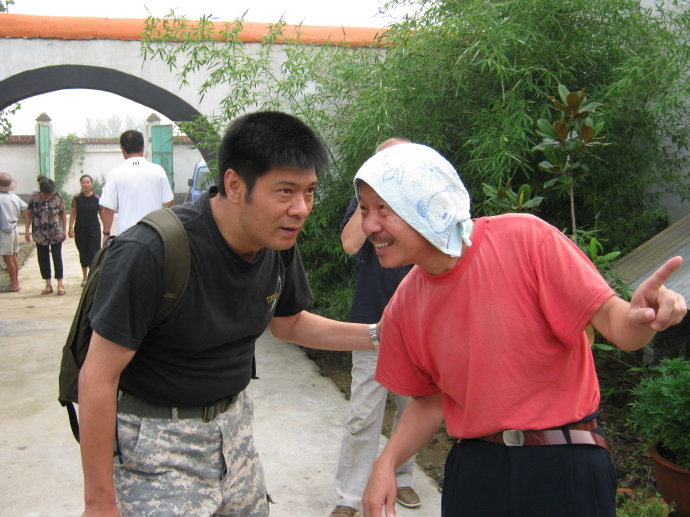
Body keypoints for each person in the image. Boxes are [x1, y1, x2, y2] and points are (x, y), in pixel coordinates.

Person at [353, 143, 687, 517]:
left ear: (428, 201)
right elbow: (429, 402)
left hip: (566, 462)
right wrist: (387, 462)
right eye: (364, 209)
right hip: (477, 472)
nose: (369, 225)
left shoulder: (524, 239)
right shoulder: (403, 307)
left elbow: (618, 326)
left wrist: (643, 316)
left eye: (384, 208)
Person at [78, 111, 380, 517]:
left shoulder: (277, 243)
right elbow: (99, 376)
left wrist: (380, 334)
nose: (301, 209)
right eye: (285, 191)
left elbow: (289, 323)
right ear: (235, 185)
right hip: (155, 448)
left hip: (234, 435)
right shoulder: (151, 252)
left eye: (309, 192)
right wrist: (99, 503)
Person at [331, 138, 419, 517]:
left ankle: (402, 477)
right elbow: (350, 245)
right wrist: (370, 201)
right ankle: (349, 495)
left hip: (419, 323)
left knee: (412, 406)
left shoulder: (421, 197)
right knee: (363, 413)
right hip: (370, 322)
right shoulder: (363, 205)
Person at [99, 129, 174, 241]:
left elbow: (108, 209)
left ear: (122, 149)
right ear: (142, 148)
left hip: (126, 237)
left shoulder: (115, 174)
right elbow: (170, 204)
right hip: (154, 235)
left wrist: (106, 234)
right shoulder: (158, 171)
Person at [25, 176, 67, 295]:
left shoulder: (57, 196)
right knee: (42, 259)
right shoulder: (34, 198)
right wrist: (27, 231)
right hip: (39, 233)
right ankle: (48, 284)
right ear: (41, 191)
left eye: (49, 194)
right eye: (45, 194)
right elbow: (29, 214)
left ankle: (60, 283)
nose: (47, 196)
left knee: (57, 257)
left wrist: (64, 229)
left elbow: (63, 213)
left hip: (56, 232)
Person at [69, 174, 103, 286]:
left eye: (88, 182)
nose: (86, 184)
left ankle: (92, 277)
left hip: (94, 230)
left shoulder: (97, 198)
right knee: (83, 252)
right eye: (84, 182)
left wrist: (106, 230)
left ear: (91, 184)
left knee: (94, 252)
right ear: (81, 184)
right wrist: (70, 229)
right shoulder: (77, 198)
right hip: (80, 230)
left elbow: (102, 214)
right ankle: (84, 277)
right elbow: (73, 214)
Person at [0, 172, 28, 293]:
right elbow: (25, 209)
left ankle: (14, 284)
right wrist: (15, 216)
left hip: (4, 231)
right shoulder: (14, 197)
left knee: (8, 258)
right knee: (13, 257)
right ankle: (16, 282)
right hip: (14, 228)